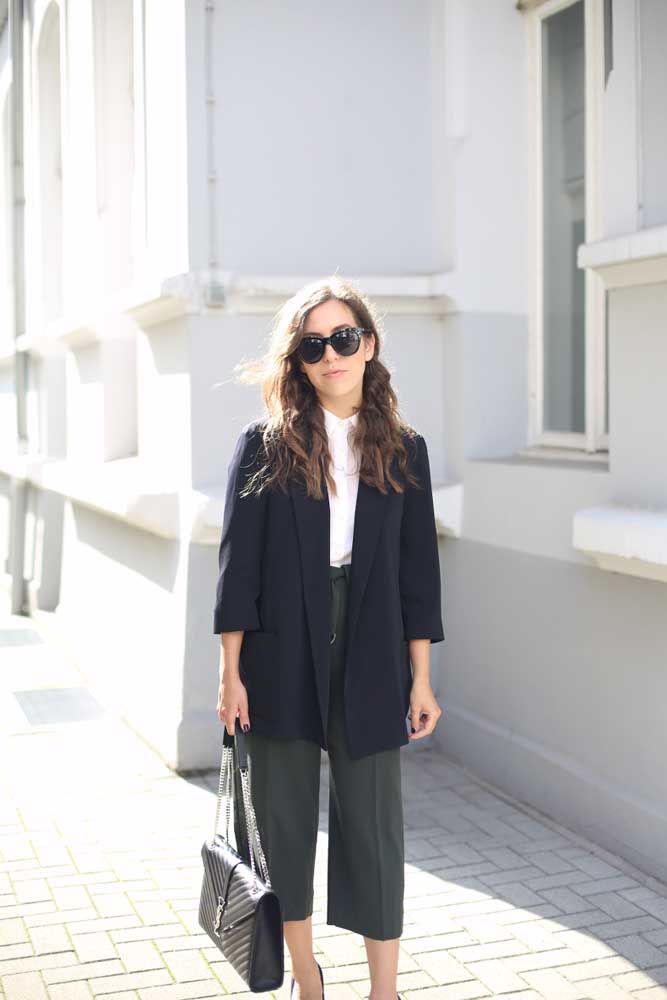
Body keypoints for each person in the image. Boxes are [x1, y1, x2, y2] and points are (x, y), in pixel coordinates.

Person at [214, 276, 445, 1000]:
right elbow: (237, 567)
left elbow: (418, 577)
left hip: (373, 642)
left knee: (373, 821)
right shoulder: (264, 447)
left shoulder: (404, 452)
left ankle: (384, 989)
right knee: (282, 816)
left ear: (368, 345)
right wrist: (230, 672)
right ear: (300, 360)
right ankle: (305, 980)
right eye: (314, 344)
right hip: (279, 643)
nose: (331, 355)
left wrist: (420, 678)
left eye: (344, 338)